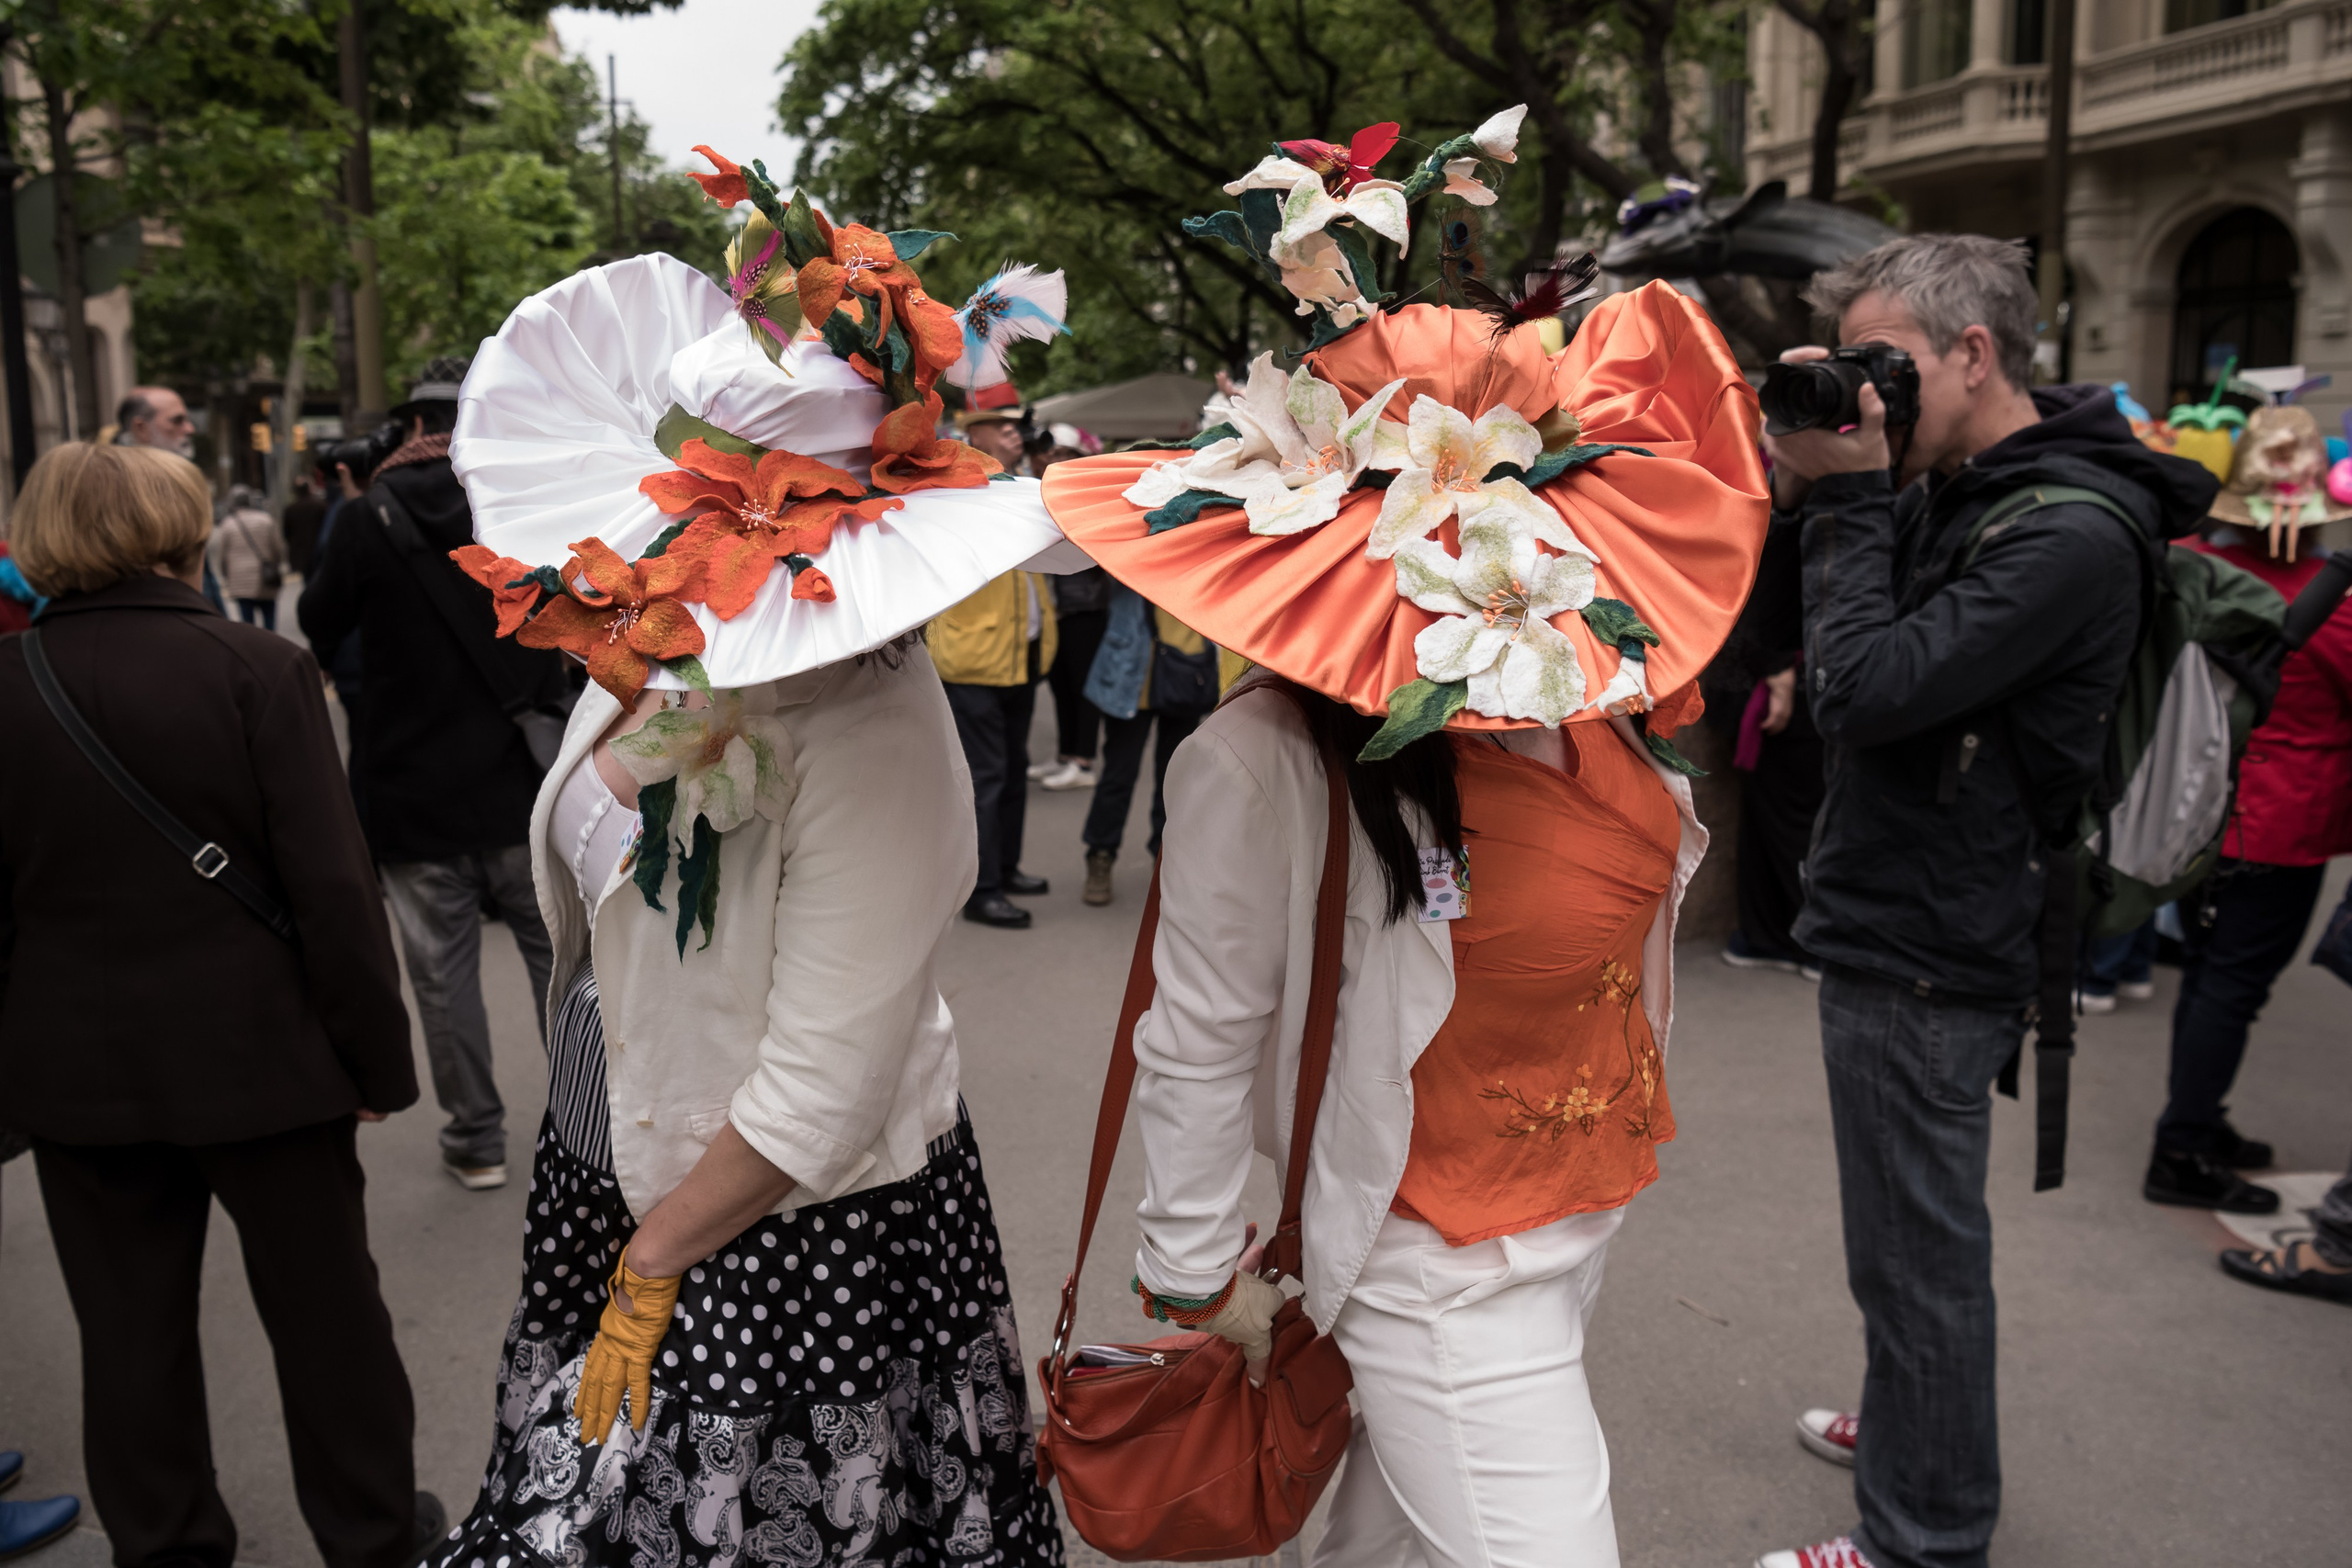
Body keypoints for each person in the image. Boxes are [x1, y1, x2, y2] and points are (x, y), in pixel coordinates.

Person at [1039, 114, 1768, 1559]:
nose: (1502, 540)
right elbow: (1197, 1033)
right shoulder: (1267, 761)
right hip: (1432, 1261)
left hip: (1569, 1221)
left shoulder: (1580, 679)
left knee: (1382, 1545)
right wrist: (1195, 1280)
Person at [426, 189, 1070, 1563]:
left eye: (721, 520)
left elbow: (821, 1091)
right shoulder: (675, 652)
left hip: (780, 1232)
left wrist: (652, 1263)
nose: (677, 552)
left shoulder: (877, 729)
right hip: (617, 1165)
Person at [1756, 234, 2221, 1568]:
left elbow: (1865, 692)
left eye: (1886, 360)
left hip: (1932, 938)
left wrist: (1849, 501)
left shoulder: (2066, 529)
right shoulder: (1973, 481)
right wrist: (1844, 473)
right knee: (1902, 1248)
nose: (1874, 391)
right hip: (1908, 908)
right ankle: (1917, 1425)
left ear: (1976, 353)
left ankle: (1923, 1528)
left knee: (1919, 1259)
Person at [0, 441, 438, 1568]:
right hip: (267, 1063)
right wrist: (375, 1065)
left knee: (128, 1340)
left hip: (76, 1075)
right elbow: (333, 893)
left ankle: (169, 1547)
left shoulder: (10, 687)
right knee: (329, 1325)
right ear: (182, 526)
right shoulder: (256, 668)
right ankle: (373, 1537)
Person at [300, 359, 565, 1192]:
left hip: (411, 787)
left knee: (442, 971)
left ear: (406, 426)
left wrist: (349, 509)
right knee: (563, 959)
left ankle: (477, 1138)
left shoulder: (367, 512)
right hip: (527, 783)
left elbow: (317, 621)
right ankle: (585, 1122)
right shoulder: (520, 502)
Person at [2141, 468, 2352, 1213]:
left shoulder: (2189, 559)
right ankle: (2185, 1141)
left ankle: (2196, 1122)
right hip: (2279, 821)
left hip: (2193, 801)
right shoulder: (2332, 600)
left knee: (2207, 976)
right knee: (2231, 985)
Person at [932, 397, 1058, 929]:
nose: (1014, 434)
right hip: (973, 654)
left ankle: (1006, 868)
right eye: (1002, 427)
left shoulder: (1017, 484)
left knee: (1011, 770)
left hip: (1018, 651)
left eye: (1015, 426)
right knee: (987, 775)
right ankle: (981, 889)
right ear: (974, 435)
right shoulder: (954, 490)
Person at [1074, 586, 1215, 907]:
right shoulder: (1128, 540)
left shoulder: (1196, 542)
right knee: (1118, 776)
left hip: (1184, 671)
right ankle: (1100, 856)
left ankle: (1166, 862)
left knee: (1175, 781)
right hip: (1129, 677)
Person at [1032, 429, 1109, 791]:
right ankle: (1066, 756)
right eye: (1052, 450)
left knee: (1081, 686)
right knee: (1061, 685)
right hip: (1060, 609)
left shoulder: (1089, 498)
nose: (1052, 456)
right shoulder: (1051, 493)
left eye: (1062, 451)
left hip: (1085, 608)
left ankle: (1083, 760)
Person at [209, 483, 288, 629]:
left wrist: (226, 575)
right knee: (269, 624)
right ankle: (272, 649)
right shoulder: (266, 520)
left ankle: (252, 651)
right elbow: (278, 549)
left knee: (248, 626)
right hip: (266, 579)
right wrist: (276, 565)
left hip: (240, 582)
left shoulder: (228, 524)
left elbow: (222, 557)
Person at [115, 386, 197, 457]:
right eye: (177, 421)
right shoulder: (116, 473)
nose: (190, 429)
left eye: (187, 420)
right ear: (141, 429)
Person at [284, 468, 328, 578]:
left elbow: (286, 533)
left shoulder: (290, 509)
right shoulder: (320, 506)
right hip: (318, 551)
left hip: (301, 554)